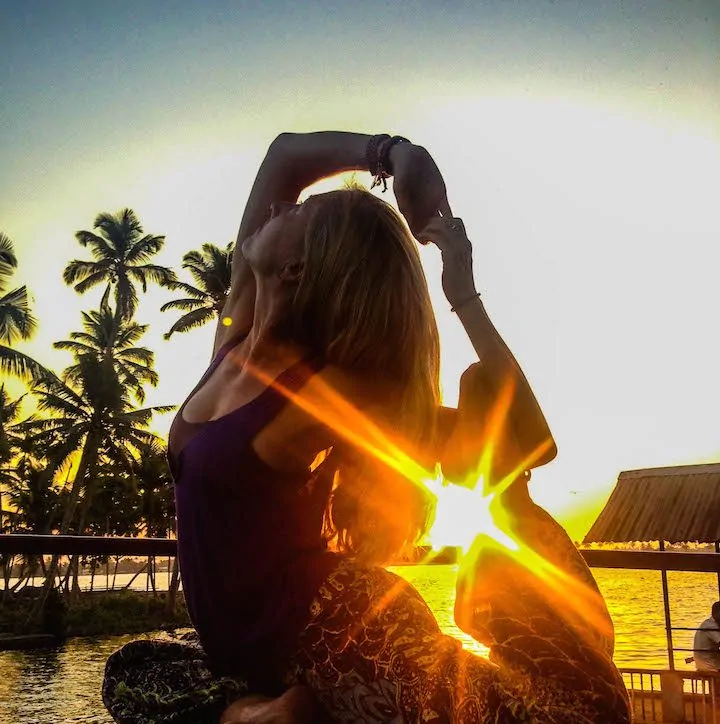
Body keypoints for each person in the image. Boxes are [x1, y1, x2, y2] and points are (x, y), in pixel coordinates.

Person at [103, 131, 631, 723]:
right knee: (132, 671)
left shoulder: (324, 390)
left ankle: (269, 709)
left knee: (560, 716)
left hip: (331, 626)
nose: (279, 206)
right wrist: (395, 154)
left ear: (298, 267)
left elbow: (530, 444)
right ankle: (258, 713)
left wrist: (465, 296)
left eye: (297, 213)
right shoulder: (235, 333)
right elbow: (283, 158)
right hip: (243, 645)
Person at [693, 601, 720, 671]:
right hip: (709, 665)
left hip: (703, 662)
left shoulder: (709, 623)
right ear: (716, 614)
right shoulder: (711, 626)